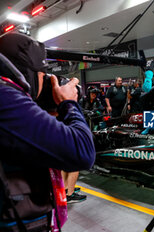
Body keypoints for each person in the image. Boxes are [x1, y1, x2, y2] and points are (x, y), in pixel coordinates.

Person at [0, 33, 95, 231]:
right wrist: (69, 104)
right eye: (43, 75)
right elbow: (82, 152)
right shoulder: (5, 96)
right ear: (29, 74)